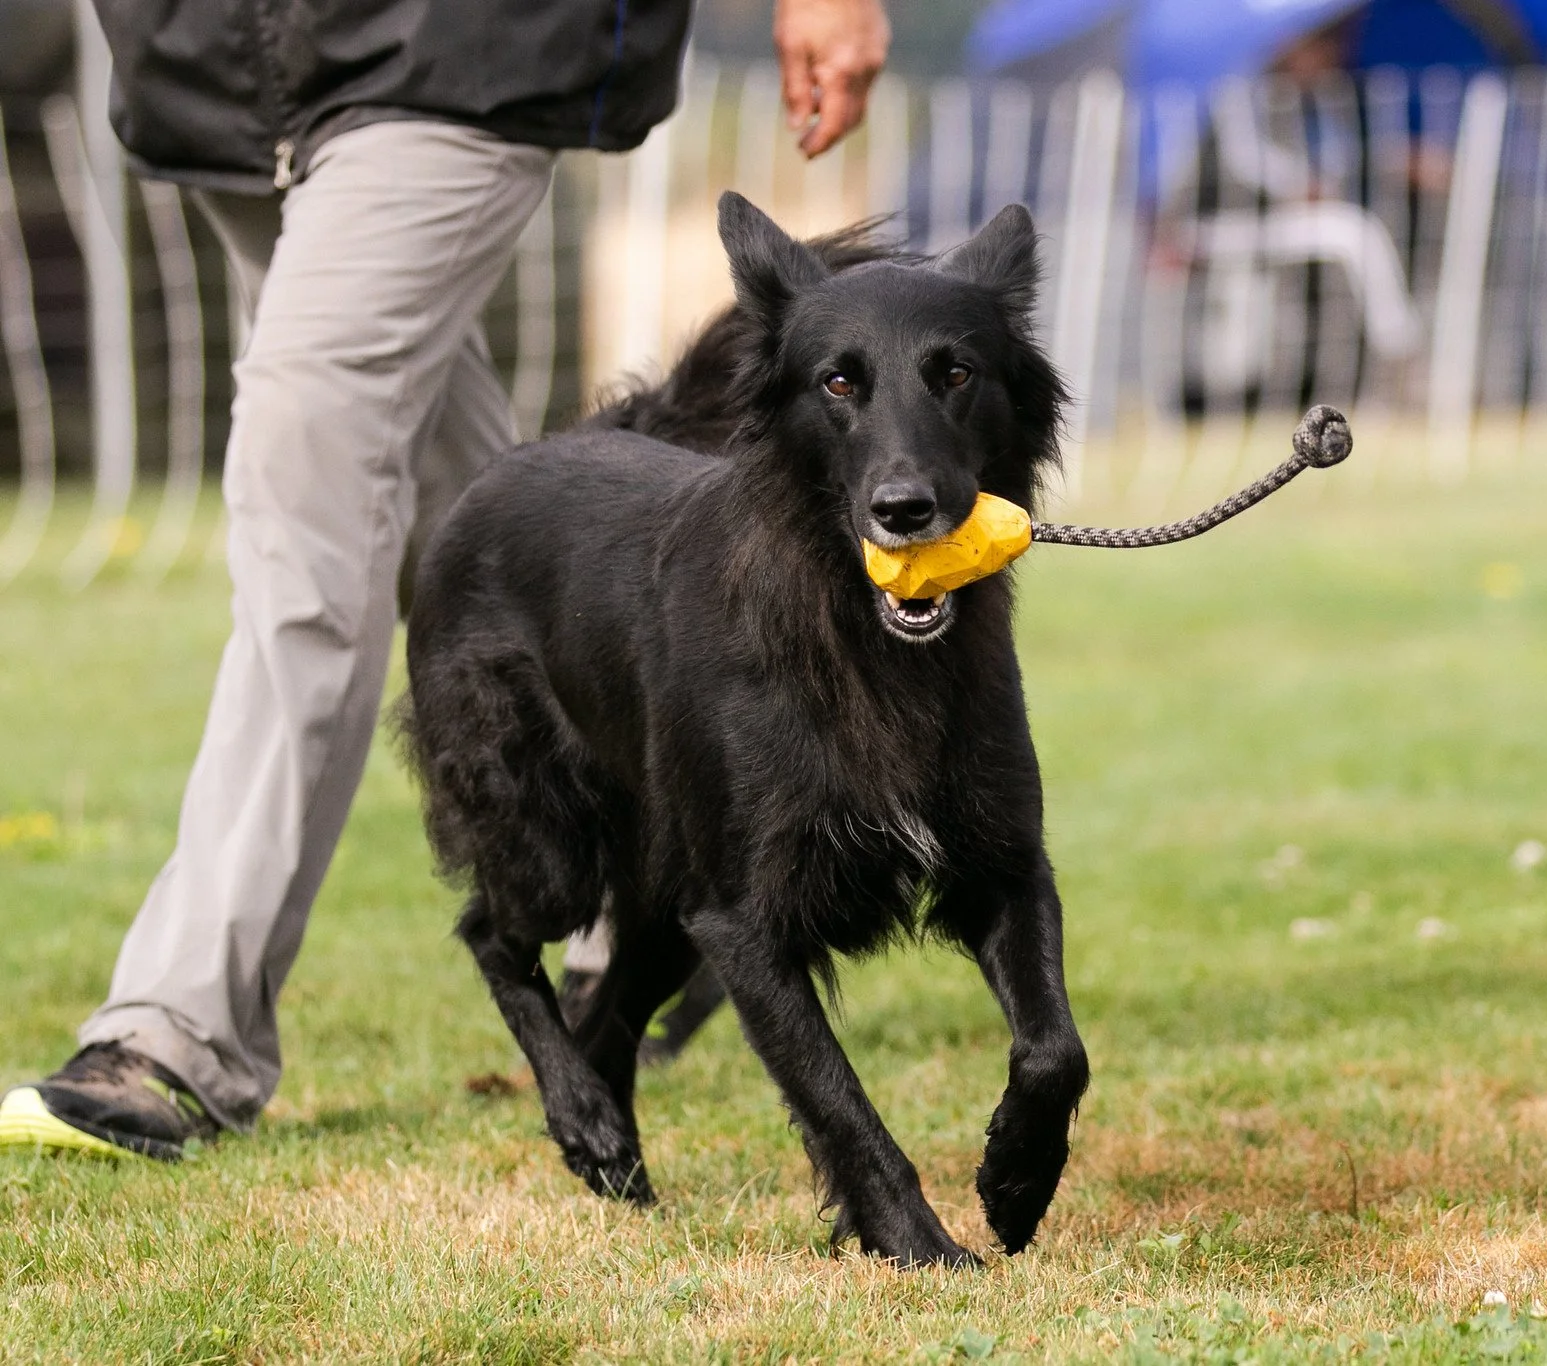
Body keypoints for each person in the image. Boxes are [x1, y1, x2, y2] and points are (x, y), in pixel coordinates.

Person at [0, 0, 890, 1161]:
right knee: (477, 519)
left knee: (304, 487)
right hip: (215, 69)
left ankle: (177, 1030)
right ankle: (655, 863)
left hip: (448, 49)